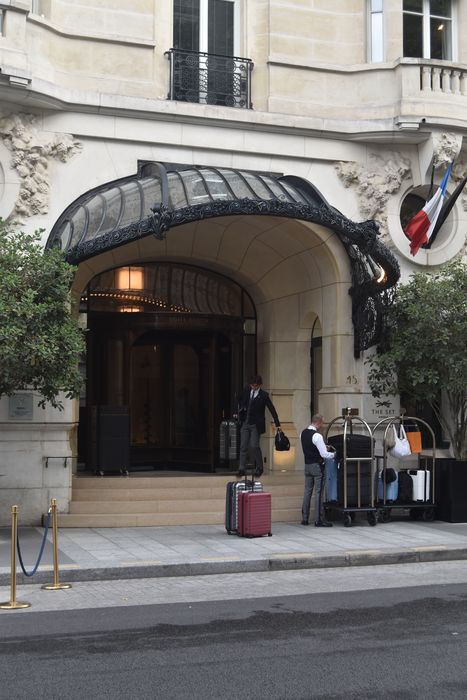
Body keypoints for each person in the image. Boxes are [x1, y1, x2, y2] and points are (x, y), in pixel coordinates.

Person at [237, 374, 281, 477]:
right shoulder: (247, 390)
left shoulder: (264, 395)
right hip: (245, 423)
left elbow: (271, 408)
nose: (253, 387)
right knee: (243, 446)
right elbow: (241, 401)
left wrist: (277, 422)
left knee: (254, 445)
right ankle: (241, 468)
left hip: (256, 425)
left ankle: (259, 467)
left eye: (255, 385)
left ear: (259, 385)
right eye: (252, 385)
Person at [300, 413, 336, 527]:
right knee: (319, 492)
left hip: (307, 465)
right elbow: (323, 454)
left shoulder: (303, 433)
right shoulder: (317, 436)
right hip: (317, 466)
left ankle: (305, 518)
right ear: (319, 422)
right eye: (322, 423)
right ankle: (319, 520)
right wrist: (333, 454)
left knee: (307, 492)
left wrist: (324, 448)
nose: (322, 425)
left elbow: (310, 447)